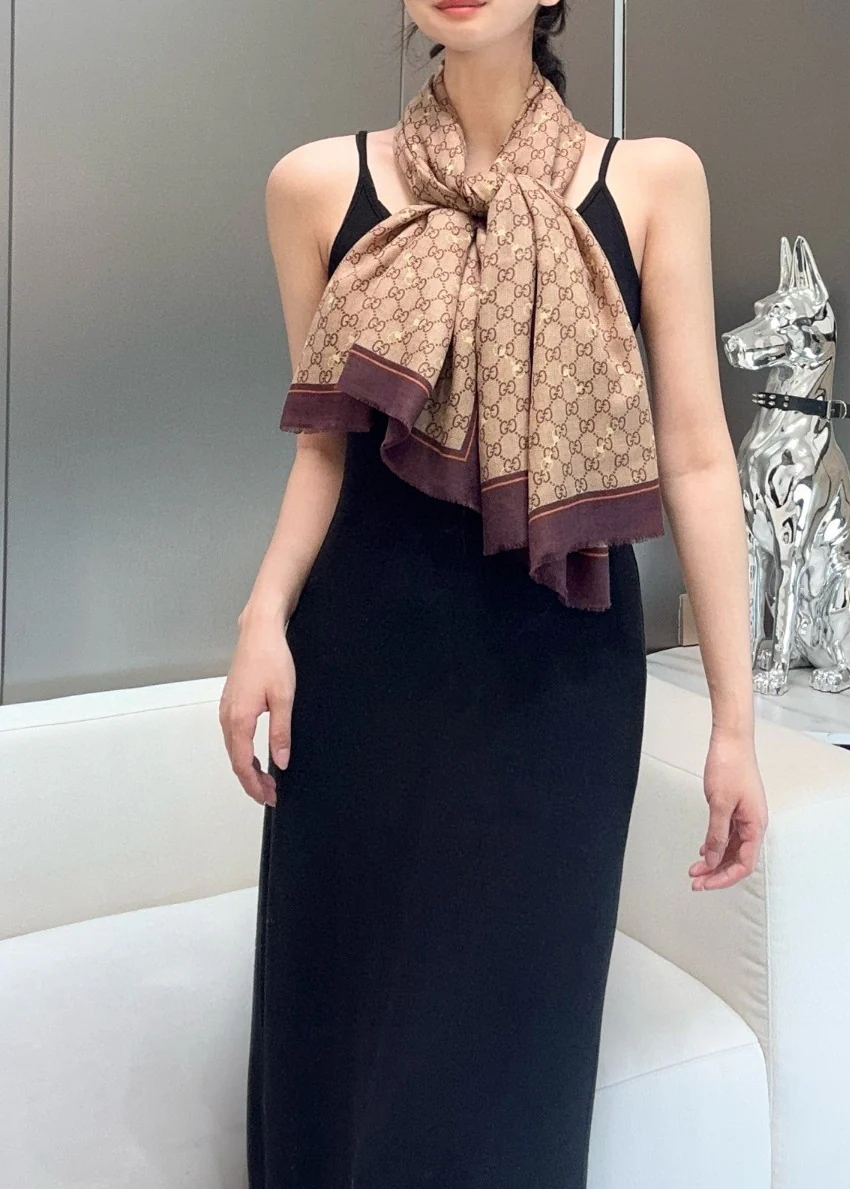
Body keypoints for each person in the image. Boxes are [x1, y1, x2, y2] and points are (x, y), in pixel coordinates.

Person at [220, 1, 768, 1184]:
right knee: (337, 1035)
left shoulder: (651, 183)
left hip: (556, 687)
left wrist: (736, 721)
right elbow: (324, 450)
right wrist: (261, 618)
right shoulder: (313, 188)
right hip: (360, 676)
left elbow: (696, 456)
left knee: (511, 1063)